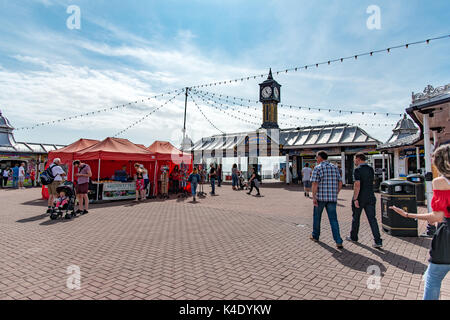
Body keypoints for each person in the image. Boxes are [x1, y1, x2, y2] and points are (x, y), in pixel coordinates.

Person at [390, 144, 450, 300]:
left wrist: (408, 215)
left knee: (433, 279)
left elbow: (437, 216)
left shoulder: (441, 182)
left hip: (447, 238)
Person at [346, 153, 383, 248]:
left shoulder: (357, 170)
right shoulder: (371, 169)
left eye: (355, 159)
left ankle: (354, 237)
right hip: (370, 196)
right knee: (372, 219)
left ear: (358, 159)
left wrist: (355, 198)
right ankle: (378, 241)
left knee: (356, 218)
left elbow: (357, 185)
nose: (354, 161)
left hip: (360, 197)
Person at [310, 150, 344, 249]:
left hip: (320, 198)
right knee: (333, 220)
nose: (316, 159)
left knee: (317, 217)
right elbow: (340, 183)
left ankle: (315, 236)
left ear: (320, 157)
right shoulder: (334, 168)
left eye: (316, 157)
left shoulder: (318, 168)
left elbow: (315, 184)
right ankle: (338, 240)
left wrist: (314, 196)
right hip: (332, 198)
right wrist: (336, 192)